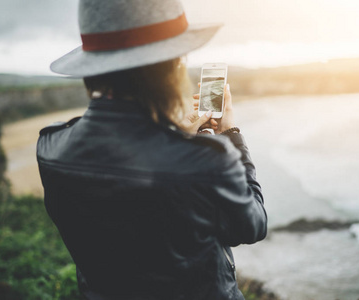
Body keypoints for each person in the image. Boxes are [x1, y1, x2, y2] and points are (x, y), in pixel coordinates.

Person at [37, 0, 267, 299]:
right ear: (170, 67)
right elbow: (252, 226)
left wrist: (172, 136)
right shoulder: (207, 159)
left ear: (92, 68)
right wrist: (229, 134)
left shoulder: (51, 147)